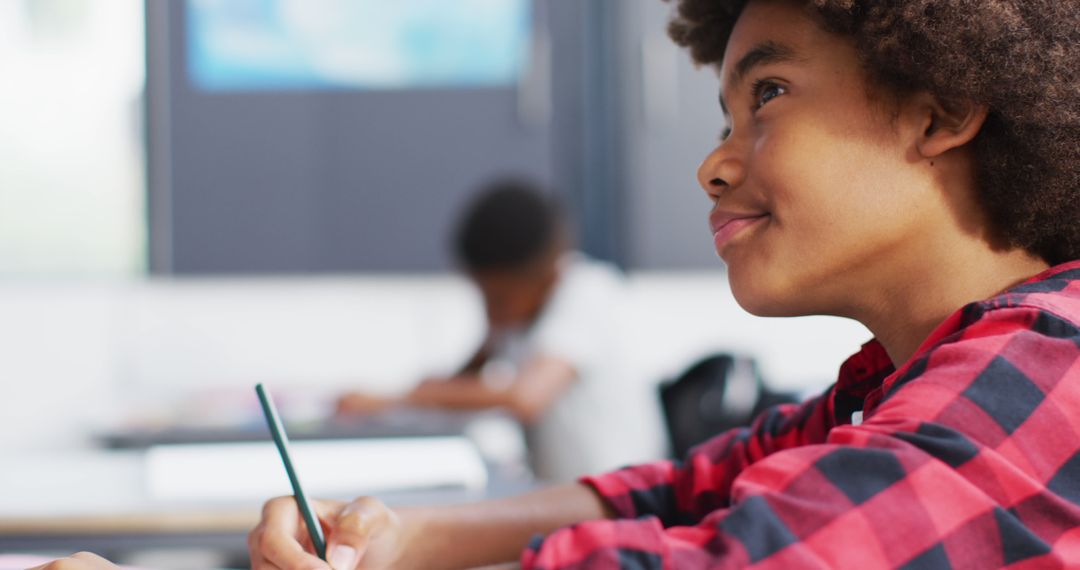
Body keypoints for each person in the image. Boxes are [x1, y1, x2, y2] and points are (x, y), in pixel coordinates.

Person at [37, 0, 1080, 568]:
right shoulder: (892, 383)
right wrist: (409, 539)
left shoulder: (1053, 366)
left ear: (938, 110)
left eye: (766, 93)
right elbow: (680, 491)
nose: (713, 165)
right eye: (720, 119)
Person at [337, 178, 664, 482]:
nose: (491, 311)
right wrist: (413, 396)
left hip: (620, 496)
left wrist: (397, 398)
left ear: (547, 269)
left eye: (498, 298)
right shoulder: (518, 311)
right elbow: (465, 378)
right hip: (560, 492)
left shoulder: (586, 292)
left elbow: (525, 397)